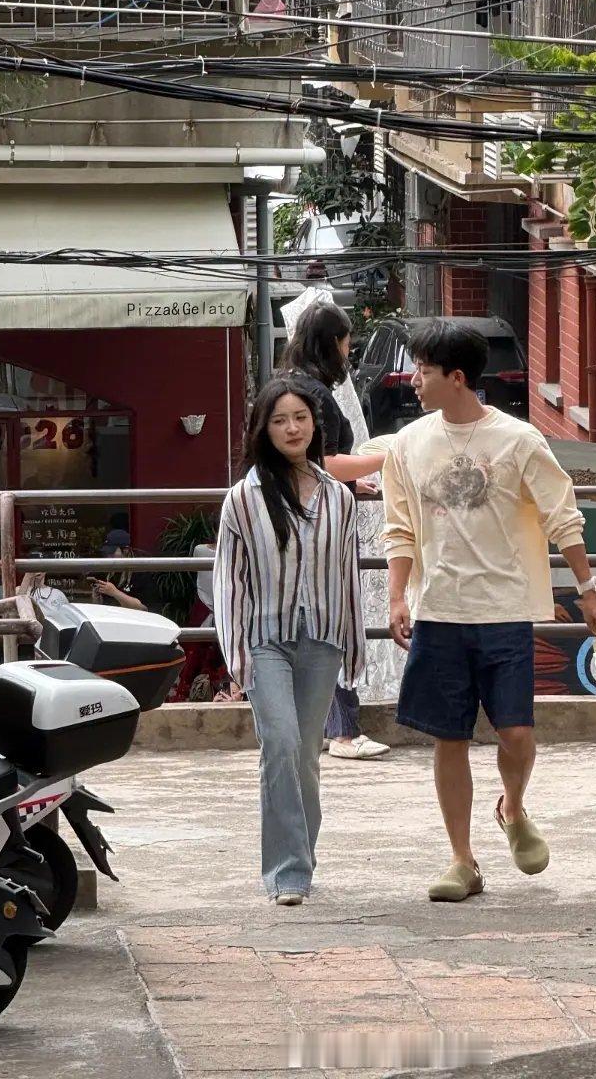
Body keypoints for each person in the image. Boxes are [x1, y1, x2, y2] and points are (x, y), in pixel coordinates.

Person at [382, 318, 596, 903]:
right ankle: (462, 859)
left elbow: (562, 515)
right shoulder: (407, 445)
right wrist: (397, 595)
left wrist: (588, 588)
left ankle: (512, 806)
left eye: (423, 371)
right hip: (440, 611)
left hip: (505, 608)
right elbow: (399, 528)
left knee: (517, 732)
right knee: (448, 737)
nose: (414, 380)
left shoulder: (518, 440)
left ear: (456, 377)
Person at [213, 375, 365, 906]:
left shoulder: (338, 498)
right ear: (264, 429)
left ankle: (301, 857)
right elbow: (229, 582)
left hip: (322, 638)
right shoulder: (243, 499)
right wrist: (236, 653)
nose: (292, 428)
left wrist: (355, 647)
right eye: (280, 420)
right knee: (279, 744)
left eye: (300, 418)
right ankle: (287, 872)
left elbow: (347, 576)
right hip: (265, 640)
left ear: (314, 425)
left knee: (305, 756)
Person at [280, 301, 389, 761]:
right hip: (319, 523)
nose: (349, 352)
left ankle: (326, 726)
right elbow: (323, 462)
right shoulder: (316, 395)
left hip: (299, 516)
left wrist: (351, 483)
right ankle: (344, 731)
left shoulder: (290, 384)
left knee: (314, 621)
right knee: (334, 620)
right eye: (346, 343)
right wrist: (388, 457)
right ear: (332, 344)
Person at [90, 529, 152, 611]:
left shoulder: (140, 570)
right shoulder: (107, 572)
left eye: (111, 553)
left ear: (125, 550)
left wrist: (115, 592)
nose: (108, 557)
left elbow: (143, 608)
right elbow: (102, 608)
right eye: (106, 553)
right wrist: (97, 598)